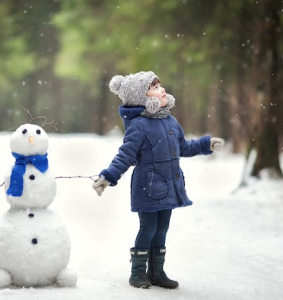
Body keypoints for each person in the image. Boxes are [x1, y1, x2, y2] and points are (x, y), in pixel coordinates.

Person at [92, 71, 224, 289]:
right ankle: (137, 273)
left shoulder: (170, 121)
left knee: (162, 228)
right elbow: (125, 155)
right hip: (148, 186)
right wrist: (108, 176)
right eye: (154, 87)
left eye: (160, 85)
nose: (162, 89)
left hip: (169, 185)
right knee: (148, 228)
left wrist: (205, 144)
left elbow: (183, 147)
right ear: (142, 98)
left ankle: (157, 272)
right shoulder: (139, 125)